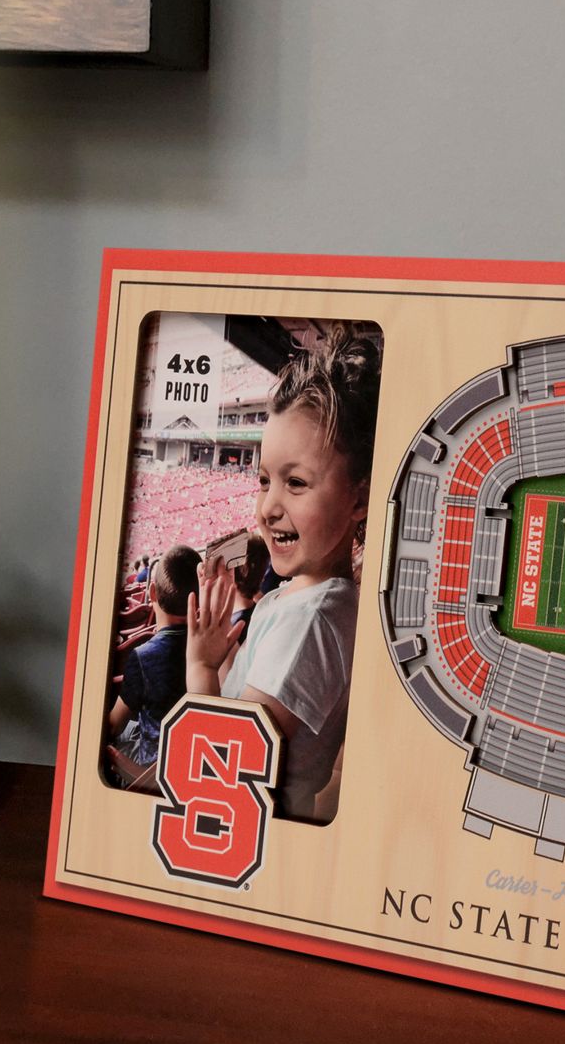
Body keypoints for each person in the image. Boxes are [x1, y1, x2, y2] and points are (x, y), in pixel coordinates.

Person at [186, 332, 381, 822]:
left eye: (295, 482)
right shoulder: (299, 598)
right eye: (264, 480)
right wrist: (222, 659)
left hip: (259, 828)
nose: (268, 507)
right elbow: (246, 696)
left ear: (358, 499)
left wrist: (201, 668)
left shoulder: (312, 620)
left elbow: (224, 768)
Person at [108, 545, 199, 770]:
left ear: (152, 593)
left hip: (151, 770)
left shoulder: (143, 657)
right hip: (192, 761)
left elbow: (113, 726)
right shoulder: (216, 649)